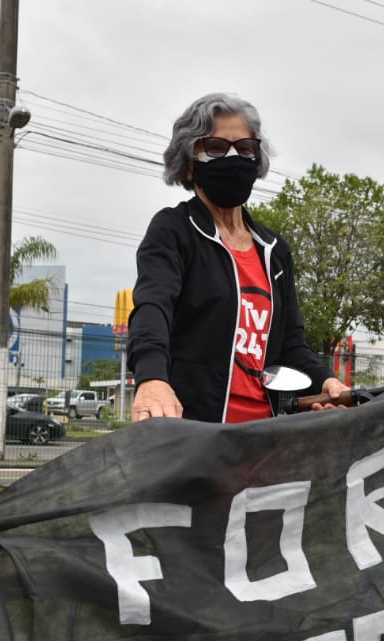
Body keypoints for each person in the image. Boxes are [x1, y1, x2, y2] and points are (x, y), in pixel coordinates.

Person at [126, 93, 348, 424]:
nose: (233, 157)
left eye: (245, 149)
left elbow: (291, 346)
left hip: (262, 440)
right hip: (194, 435)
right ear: (189, 162)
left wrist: (326, 382)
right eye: (215, 147)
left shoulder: (274, 251)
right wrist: (151, 378)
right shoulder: (174, 230)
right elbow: (152, 309)